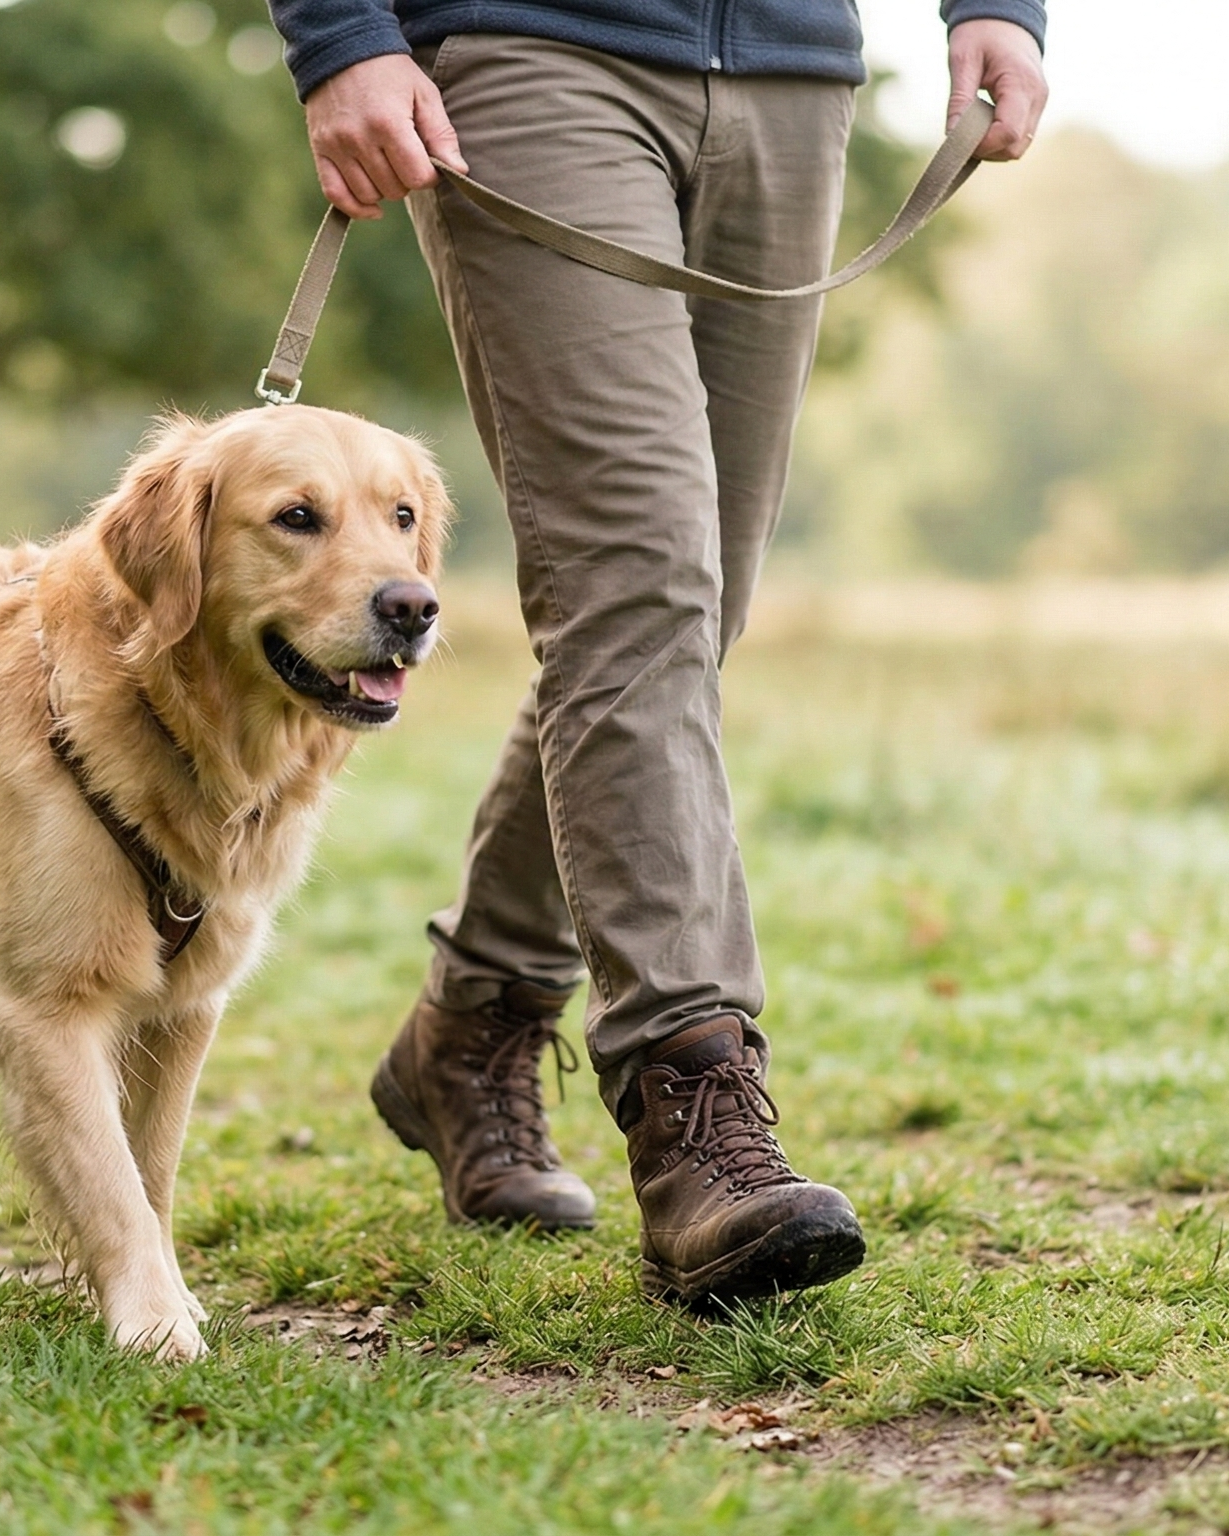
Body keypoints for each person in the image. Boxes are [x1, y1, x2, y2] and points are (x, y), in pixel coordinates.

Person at [267, 0, 1047, 1306]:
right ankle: (695, 1104)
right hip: (530, 52)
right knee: (637, 583)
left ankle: (474, 1020)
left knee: (685, 610)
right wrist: (341, 33)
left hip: (793, 72)